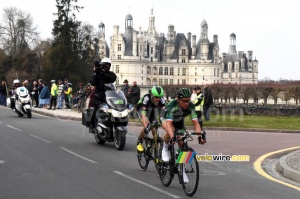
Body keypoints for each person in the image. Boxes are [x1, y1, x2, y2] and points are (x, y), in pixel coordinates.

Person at [161, 88, 206, 163]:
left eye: (188, 100)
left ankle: (182, 170)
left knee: (182, 141)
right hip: (166, 119)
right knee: (171, 132)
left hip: (179, 120)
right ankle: (165, 149)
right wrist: (172, 137)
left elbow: (196, 123)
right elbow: (169, 124)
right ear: (178, 99)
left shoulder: (191, 106)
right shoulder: (172, 105)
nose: (186, 103)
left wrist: (199, 136)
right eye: (184, 101)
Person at [136, 86, 167, 152]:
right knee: (147, 126)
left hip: (152, 111)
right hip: (142, 110)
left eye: (160, 97)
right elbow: (144, 115)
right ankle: (139, 141)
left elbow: (165, 112)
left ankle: (154, 143)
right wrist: (146, 127)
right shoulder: (146, 98)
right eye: (156, 97)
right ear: (152, 95)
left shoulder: (161, 100)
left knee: (154, 128)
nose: (158, 99)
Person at [90, 57, 117, 129]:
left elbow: (113, 79)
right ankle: (93, 126)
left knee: (115, 109)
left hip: (110, 96)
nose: (107, 67)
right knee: (96, 110)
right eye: (105, 65)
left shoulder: (111, 74)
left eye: (108, 65)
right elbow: (93, 83)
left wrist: (104, 73)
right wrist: (96, 73)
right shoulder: (98, 74)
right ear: (102, 65)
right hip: (99, 96)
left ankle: (114, 124)